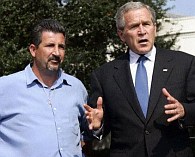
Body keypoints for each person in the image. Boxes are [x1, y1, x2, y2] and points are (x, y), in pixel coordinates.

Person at [85, 1, 195, 157]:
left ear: (155, 28)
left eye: (146, 24)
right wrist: (98, 126)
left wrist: (184, 110)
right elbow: (100, 124)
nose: (142, 31)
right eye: (134, 26)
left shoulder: (184, 64)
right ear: (121, 34)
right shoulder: (104, 75)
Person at [0, 19, 93, 157]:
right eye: (50, 45)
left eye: (61, 47)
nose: (56, 52)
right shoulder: (5, 87)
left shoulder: (77, 88)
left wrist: (97, 127)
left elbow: (87, 133)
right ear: (33, 50)